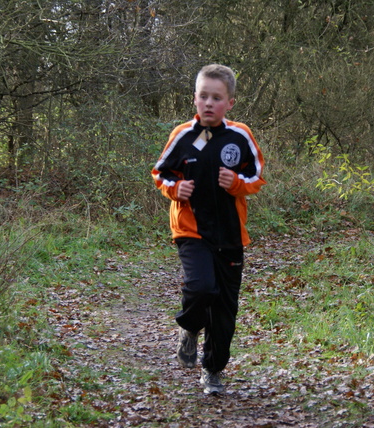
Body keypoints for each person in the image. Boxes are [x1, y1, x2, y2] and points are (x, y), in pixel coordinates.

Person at [151, 64, 266, 394]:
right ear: (195, 100)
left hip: (230, 236)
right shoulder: (184, 135)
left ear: (229, 102)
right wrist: (175, 189)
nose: (209, 103)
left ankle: (212, 371)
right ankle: (188, 327)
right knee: (202, 288)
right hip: (191, 230)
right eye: (203, 96)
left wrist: (237, 183)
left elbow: (256, 177)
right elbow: (161, 173)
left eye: (216, 97)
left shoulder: (240, 136)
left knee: (225, 311)